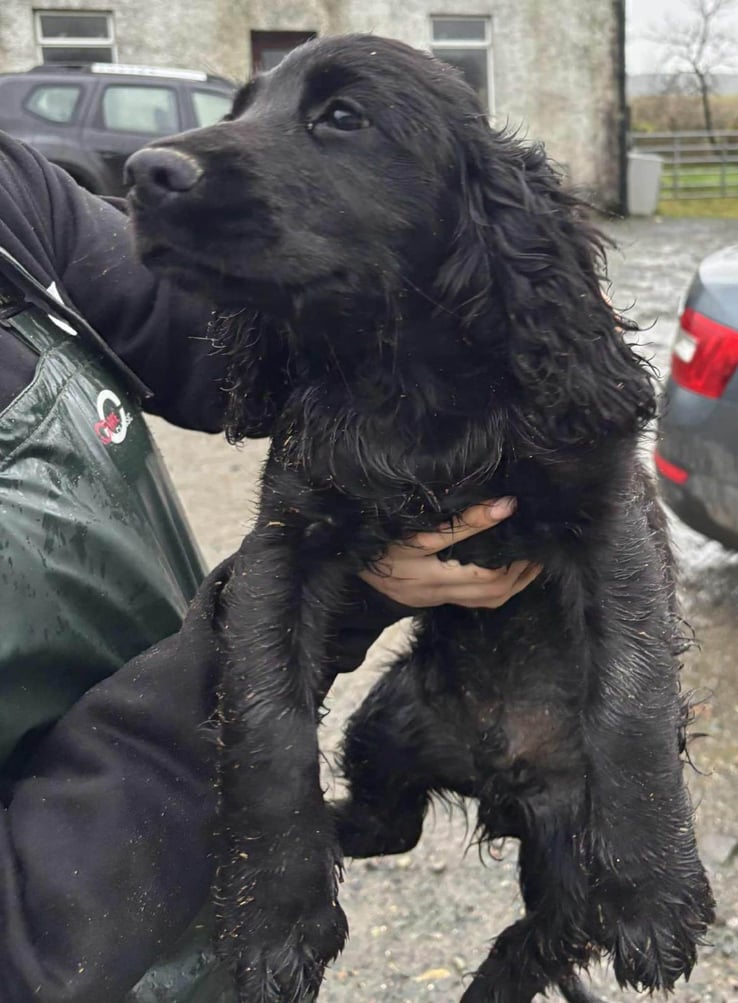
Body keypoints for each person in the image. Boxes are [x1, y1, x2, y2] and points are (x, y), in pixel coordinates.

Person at [0, 130, 540, 1002]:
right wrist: (315, 591)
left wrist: (483, 303)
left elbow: (244, 351)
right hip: (85, 938)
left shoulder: (9, 205)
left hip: (216, 884)